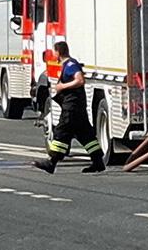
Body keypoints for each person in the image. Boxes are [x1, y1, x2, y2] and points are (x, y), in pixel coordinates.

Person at [33, 41, 106, 174]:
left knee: (61, 131)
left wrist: (62, 87)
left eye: (54, 51)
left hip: (72, 107)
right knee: (85, 134)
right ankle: (98, 162)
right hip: (76, 107)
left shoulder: (71, 65)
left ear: (58, 52)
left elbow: (80, 80)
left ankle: (52, 162)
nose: (53, 54)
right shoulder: (67, 65)